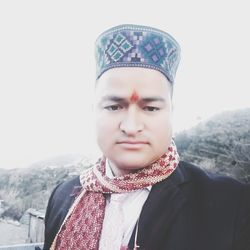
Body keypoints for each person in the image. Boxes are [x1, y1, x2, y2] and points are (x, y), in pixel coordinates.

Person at [43, 24, 250, 250]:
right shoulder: (63, 197)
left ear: (171, 112)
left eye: (150, 108)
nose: (131, 127)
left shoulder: (232, 204)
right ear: (94, 111)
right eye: (114, 107)